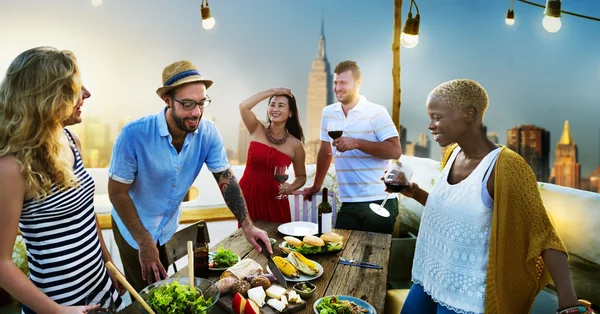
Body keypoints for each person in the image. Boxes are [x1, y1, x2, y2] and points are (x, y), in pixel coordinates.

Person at [399, 79, 584, 314]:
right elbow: (457, 211)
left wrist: (569, 303)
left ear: (469, 113)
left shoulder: (507, 166)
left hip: (465, 295)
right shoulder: (452, 154)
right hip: (429, 275)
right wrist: (414, 192)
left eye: (437, 117)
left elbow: (542, 234)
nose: (430, 125)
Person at [108, 60, 272, 292]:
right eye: (187, 104)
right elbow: (117, 194)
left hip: (166, 227)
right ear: (167, 101)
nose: (196, 112)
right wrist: (144, 242)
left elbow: (226, 179)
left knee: (164, 288)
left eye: (201, 103)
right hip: (132, 227)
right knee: (147, 297)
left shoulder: (209, 132)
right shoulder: (133, 135)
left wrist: (247, 226)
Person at [0, 47, 123, 314]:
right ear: (47, 97)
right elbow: (1, 263)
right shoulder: (12, 167)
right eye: (76, 88)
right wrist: (57, 311)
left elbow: (85, 215)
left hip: (100, 290)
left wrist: (109, 264)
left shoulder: (72, 141)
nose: (86, 94)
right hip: (58, 305)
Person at [303, 60, 402, 234]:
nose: (338, 88)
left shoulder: (376, 112)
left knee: (376, 257)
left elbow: (395, 150)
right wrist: (316, 185)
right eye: (335, 82)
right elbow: (325, 152)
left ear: (358, 83)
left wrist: (356, 143)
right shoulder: (328, 113)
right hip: (348, 201)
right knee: (343, 257)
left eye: (343, 83)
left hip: (379, 199)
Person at [238, 88, 306, 223]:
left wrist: (291, 187)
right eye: (272, 104)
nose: (275, 109)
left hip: (275, 199)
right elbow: (244, 106)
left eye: (281, 106)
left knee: (277, 239)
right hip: (248, 196)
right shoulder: (256, 128)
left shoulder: (296, 145)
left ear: (290, 112)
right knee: (248, 242)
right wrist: (273, 91)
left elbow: (301, 177)